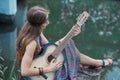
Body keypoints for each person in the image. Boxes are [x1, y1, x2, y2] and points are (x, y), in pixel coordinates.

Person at [16, 6, 112, 80]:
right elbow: (24, 71)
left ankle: (93, 62)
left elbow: (51, 48)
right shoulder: (31, 43)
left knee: (68, 43)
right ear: (40, 23)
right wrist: (48, 69)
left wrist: (71, 33)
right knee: (67, 47)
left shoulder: (36, 32)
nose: (48, 22)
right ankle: (95, 62)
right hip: (39, 73)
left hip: (42, 63)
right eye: (46, 20)